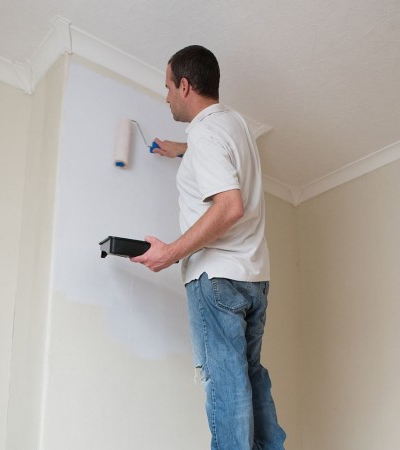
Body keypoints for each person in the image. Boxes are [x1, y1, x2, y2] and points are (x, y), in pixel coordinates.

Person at [131, 45, 286, 450]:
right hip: (254, 278)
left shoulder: (203, 133)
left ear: (185, 86)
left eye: (168, 87)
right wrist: (180, 150)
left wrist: (170, 253)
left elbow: (229, 206)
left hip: (217, 278)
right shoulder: (234, 124)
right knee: (250, 375)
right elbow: (224, 159)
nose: (166, 97)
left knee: (227, 382)